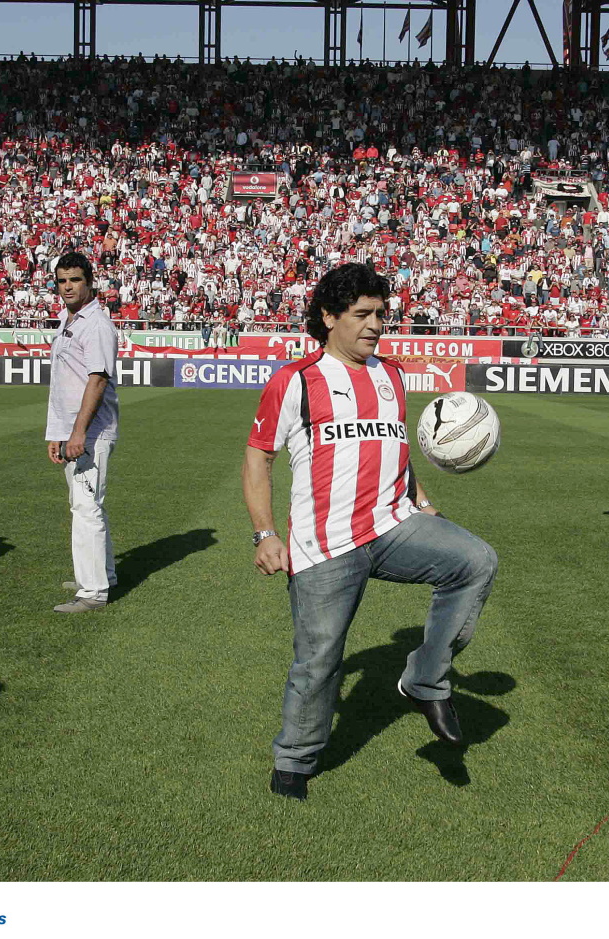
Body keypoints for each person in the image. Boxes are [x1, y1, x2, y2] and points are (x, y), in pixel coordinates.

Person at [242, 262, 498, 801]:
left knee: (475, 561)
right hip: (324, 545)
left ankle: (425, 680)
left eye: (380, 313)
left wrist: (421, 501)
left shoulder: (393, 375)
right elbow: (258, 458)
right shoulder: (295, 381)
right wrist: (264, 534)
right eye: (362, 314)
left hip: (393, 525)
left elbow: (393, 448)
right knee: (318, 662)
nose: (376, 325)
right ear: (328, 316)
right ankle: (295, 759)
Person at [45, 252, 120, 614]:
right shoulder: (67, 319)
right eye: (62, 281)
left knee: (86, 508)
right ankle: (102, 575)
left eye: (75, 280)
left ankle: (93, 592)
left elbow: (97, 380)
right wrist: (57, 432)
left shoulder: (97, 325)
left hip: (91, 431)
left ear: (89, 283)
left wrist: (77, 432)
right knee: (86, 506)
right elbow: (63, 383)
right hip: (73, 431)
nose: (68, 287)